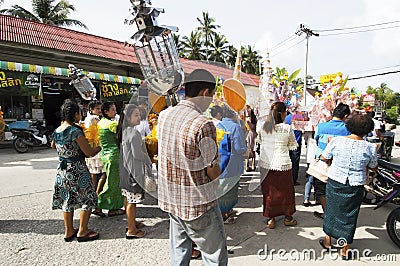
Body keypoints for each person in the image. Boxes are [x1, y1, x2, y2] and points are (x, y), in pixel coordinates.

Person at [157, 69, 228, 266]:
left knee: (179, 253)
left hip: (172, 200)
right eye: (212, 95)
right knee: (214, 257)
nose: (212, 101)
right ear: (205, 92)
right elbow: (212, 171)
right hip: (198, 203)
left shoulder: (164, 115)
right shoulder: (203, 124)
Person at [319, 113, 378, 260]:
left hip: (335, 181)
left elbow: (324, 157)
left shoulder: (336, 141)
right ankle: (345, 249)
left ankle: (328, 242)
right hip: (355, 185)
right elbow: (373, 167)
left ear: (349, 126)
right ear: (368, 129)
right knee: (350, 215)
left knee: (331, 210)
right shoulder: (370, 147)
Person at [51, 99, 100, 242]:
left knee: (67, 199)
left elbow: (53, 145)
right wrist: (100, 147)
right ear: (75, 114)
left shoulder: (57, 130)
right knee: (89, 197)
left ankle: (69, 231)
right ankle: (83, 230)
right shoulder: (75, 131)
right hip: (77, 169)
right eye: (79, 113)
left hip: (62, 170)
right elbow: (89, 152)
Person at [257, 102, 298, 229]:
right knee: (286, 192)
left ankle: (271, 218)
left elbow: (260, 142)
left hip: (266, 164)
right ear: (282, 113)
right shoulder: (287, 128)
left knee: (269, 192)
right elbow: (292, 146)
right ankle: (288, 217)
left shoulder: (264, 127)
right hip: (282, 163)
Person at [117, 104, 151, 239]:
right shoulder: (134, 133)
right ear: (128, 118)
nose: (139, 117)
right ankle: (131, 229)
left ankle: (132, 222)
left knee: (127, 198)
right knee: (132, 201)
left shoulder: (124, 131)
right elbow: (137, 155)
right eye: (135, 115)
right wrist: (148, 159)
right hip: (133, 173)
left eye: (139, 114)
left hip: (125, 171)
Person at [313, 103, 351, 220]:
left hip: (322, 162)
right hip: (340, 164)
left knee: (321, 190)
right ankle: (338, 214)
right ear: (345, 115)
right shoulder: (348, 129)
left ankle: (326, 213)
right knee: (338, 189)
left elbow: (317, 142)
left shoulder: (321, 126)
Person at [216, 104, 247, 224]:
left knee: (221, 189)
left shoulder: (218, 125)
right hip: (232, 164)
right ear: (233, 114)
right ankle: (225, 214)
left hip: (220, 163)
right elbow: (239, 148)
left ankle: (223, 212)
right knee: (230, 190)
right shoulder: (235, 127)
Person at [97, 101, 125, 217]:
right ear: (106, 112)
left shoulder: (100, 123)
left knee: (111, 182)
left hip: (105, 155)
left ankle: (113, 207)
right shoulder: (111, 124)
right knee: (113, 183)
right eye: (112, 110)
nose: (115, 111)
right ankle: (98, 204)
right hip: (114, 156)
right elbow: (122, 136)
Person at [84, 100, 107, 217]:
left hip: (91, 151)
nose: (99, 111)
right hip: (97, 150)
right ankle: (97, 200)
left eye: (100, 108)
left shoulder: (86, 119)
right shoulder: (95, 119)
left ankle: (94, 201)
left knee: (94, 176)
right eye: (97, 109)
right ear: (91, 110)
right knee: (104, 174)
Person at [285, 111, 303, 185]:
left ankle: (286, 179)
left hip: (287, 143)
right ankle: (293, 180)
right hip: (296, 143)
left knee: (287, 162)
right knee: (295, 162)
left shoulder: (286, 118)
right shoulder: (300, 117)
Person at [244, 105, 257, 172]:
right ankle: (252, 165)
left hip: (249, 134)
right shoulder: (254, 118)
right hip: (254, 134)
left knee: (249, 149)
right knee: (253, 149)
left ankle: (247, 165)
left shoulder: (246, 119)